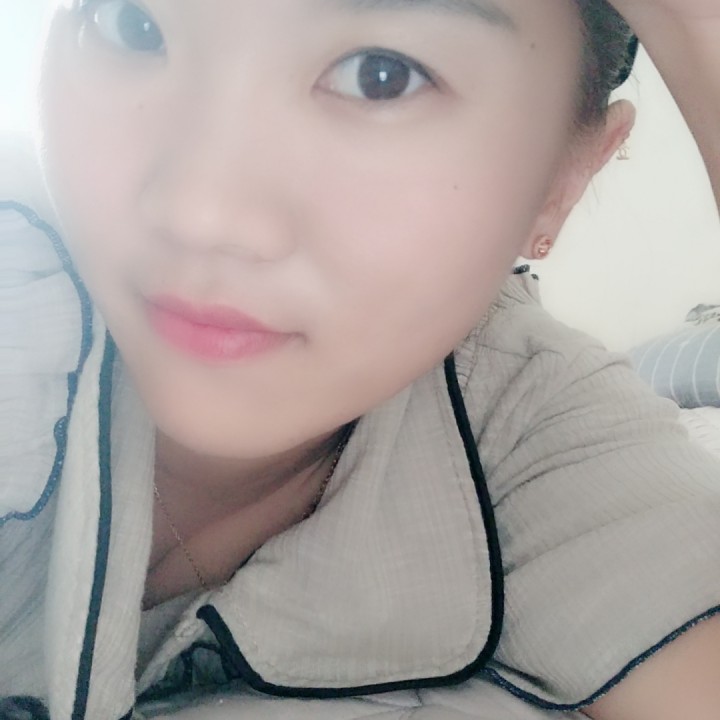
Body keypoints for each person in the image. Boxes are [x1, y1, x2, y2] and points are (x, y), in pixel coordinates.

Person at [0, 0, 719, 718]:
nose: (201, 213)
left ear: (563, 180)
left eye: (382, 76)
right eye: (131, 23)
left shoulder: (528, 415)